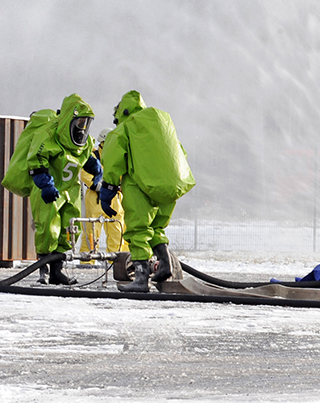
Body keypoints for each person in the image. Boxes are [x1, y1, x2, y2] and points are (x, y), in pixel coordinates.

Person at [99, 91, 195, 293]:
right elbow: (180, 152)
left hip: (140, 186)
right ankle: (166, 265)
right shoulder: (161, 126)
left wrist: (108, 188)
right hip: (171, 185)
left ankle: (141, 278)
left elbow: (113, 158)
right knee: (156, 228)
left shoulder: (126, 128)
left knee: (139, 230)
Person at [0, 93, 100, 285]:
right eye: (79, 122)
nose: (82, 128)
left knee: (69, 230)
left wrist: (97, 170)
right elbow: (37, 161)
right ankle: (43, 272)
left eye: (85, 123)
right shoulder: (48, 135)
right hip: (49, 190)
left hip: (70, 192)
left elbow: (87, 158)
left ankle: (57, 272)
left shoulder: (84, 142)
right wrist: (45, 184)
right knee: (47, 229)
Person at [77, 130, 128, 263]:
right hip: (95, 198)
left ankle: (115, 261)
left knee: (117, 231)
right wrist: (100, 187)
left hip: (115, 199)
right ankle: (88, 261)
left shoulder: (118, 157)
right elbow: (85, 175)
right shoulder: (92, 157)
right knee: (91, 231)